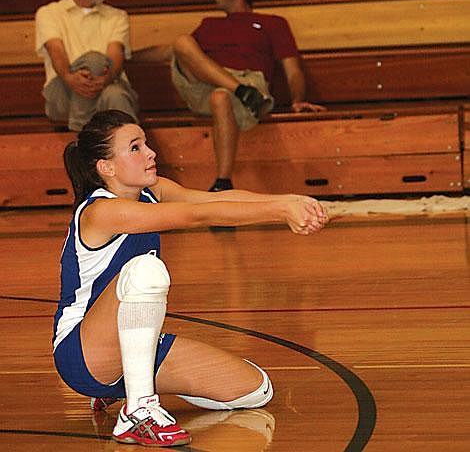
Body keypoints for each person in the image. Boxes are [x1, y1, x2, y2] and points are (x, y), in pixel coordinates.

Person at [53, 109, 328, 447]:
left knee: (255, 389)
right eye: (135, 147)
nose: (151, 152)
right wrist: (279, 211)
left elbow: (216, 200)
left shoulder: (154, 191)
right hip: (83, 353)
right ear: (106, 167)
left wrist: (286, 200)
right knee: (146, 271)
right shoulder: (102, 211)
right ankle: (138, 413)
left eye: (146, 143)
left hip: (128, 350)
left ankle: (123, 388)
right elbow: (196, 215)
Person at [170, 0, 326, 192]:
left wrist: (297, 99)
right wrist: (126, 56)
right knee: (182, 42)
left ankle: (223, 182)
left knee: (220, 98)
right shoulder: (208, 25)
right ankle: (239, 90)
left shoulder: (272, 23)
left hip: (247, 83)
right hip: (212, 86)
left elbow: (292, 69)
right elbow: (174, 52)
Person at [35, 0, 139, 132]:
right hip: (63, 90)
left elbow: (115, 54)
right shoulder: (49, 13)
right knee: (94, 60)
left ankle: (81, 133)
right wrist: (70, 77)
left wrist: (105, 79)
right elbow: (56, 51)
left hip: (107, 85)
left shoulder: (117, 16)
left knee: (116, 95)